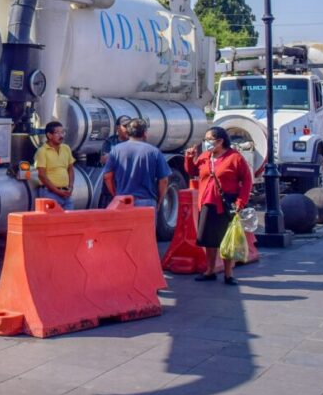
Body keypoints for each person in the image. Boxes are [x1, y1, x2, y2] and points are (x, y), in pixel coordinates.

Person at [184, 126, 253, 286]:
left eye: (210, 139)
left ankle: (228, 273)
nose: (207, 143)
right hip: (207, 202)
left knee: (226, 239)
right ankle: (210, 270)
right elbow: (193, 171)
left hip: (226, 203)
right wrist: (189, 159)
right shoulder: (205, 156)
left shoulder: (235, 158)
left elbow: (247, 181)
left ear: (220, 141)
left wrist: (240, 202)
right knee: (208, 239)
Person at [101, 118, 170, 207]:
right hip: (147, 202)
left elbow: (107, 176)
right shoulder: (154, 152)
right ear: (145, 133)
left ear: (129, 132)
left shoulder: (116, 150)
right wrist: (160, 200)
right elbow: (164, 180)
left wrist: (115, 195)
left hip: (123, 202)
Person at [34, 121, 76, 209]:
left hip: (66, 193)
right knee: (52, 222)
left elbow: (70, 169)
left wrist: (71, 187)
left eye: (63, 132)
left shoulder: (66, 148)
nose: (61, 136)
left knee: (68, 221)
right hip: (50, 194)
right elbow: (41, 175)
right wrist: (56, 191)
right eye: (57, 133)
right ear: (49, 135)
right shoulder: (42, 152)